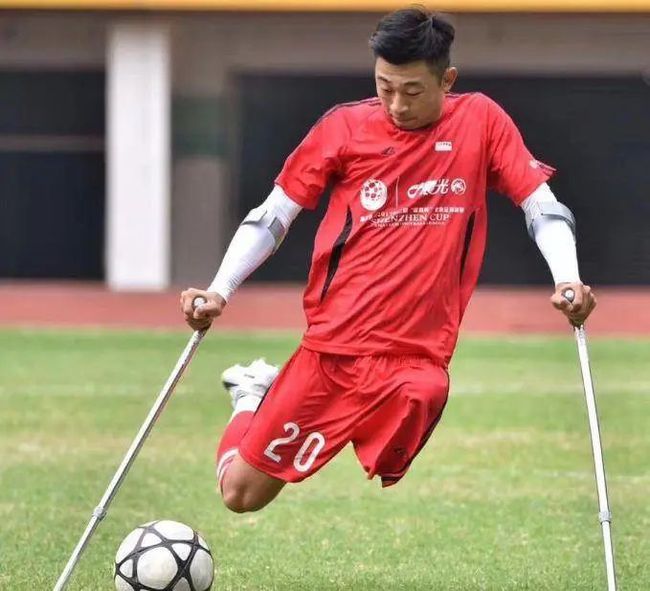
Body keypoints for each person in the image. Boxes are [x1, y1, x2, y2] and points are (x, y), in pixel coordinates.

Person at [179, 8, 596, 514]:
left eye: (413, 91)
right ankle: (252, 394)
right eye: (384, 88)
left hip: (418, 356)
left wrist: (568, 279)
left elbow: (542, 205)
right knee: (240, 496)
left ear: (447, 80)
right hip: (333, 348)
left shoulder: (481, 121)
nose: (397, 105)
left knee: (425, 391)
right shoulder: (343, 128)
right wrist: (219, 290)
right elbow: (272, 217)